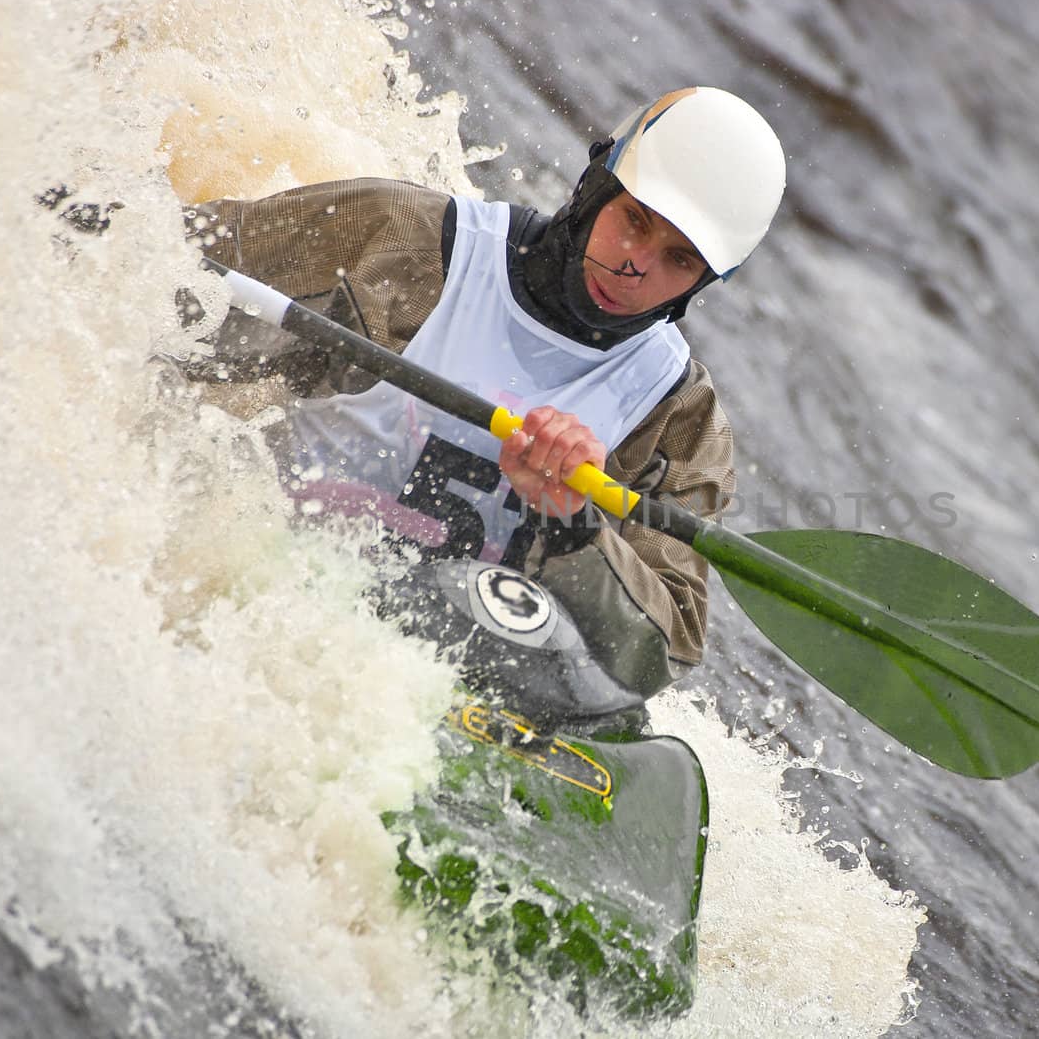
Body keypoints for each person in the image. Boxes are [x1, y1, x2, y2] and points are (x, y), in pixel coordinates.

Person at [180, 87, 786, 733]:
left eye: (679, 258)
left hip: (461, 678)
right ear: (595, 184)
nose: (638, 266)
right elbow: (168, 283)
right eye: (635, 219)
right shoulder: (406, 240)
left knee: (617, 716)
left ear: (700, 284)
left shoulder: (677, 415)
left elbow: (655, 654)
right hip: (277, 577)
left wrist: (576, 525)